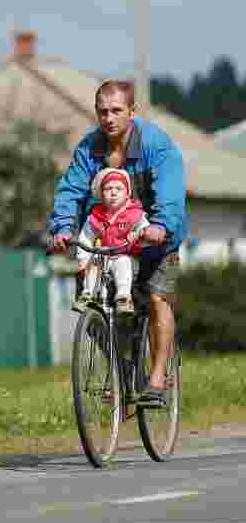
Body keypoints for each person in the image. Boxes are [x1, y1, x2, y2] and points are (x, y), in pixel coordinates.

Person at [50, 80, 186, 407]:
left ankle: (155, 381)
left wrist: (161, 226)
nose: (108, 118)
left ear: (132, 111)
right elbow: (70, 190)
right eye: (102, 112)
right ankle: (123, 372)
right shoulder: (88, 148)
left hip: (153, 241)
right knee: (90, 301)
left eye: (116, 111)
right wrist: (64, 227)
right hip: (106, 242)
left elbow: (170, 189)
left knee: (156, 298)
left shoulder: (156, 144)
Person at [73, 167, 150, 314]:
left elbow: (146, 229)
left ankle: (123, 297)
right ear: (101, 195)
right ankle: (87, 293)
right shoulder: (95, 217)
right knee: (94, 262)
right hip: (103, 256)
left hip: (125, 255)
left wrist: (138, 234)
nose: (113, 193)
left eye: (119, 189)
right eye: (108, 189)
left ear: (127, 194)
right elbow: (86, 238)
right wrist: (83, 260)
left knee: (123, 263)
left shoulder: (134, 214)